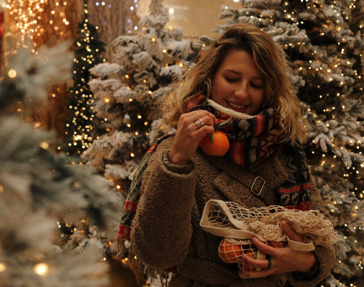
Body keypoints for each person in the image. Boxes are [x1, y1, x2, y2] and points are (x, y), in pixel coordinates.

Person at [128, 23, 336, 287]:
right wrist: (177, 162)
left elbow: (325, 242)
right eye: (232, 78)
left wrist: (302, 262)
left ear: (269, 90)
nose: (241, 93)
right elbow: (157, 253)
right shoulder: (177, 151)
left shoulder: (285, 151)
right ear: (210, 77)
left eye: (256, 84)